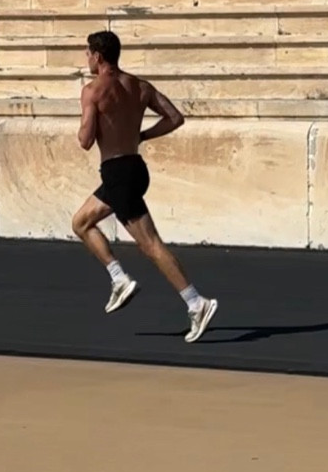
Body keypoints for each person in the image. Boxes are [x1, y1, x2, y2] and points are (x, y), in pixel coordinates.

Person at [71, 30, 218, 343]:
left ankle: (196, 302)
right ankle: (118, 277)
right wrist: (142, 135)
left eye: (87, 54)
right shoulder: (139, 86)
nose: (86, 59)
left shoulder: (93, 90)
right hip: (134, 168)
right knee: (81, 222)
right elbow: (175, 118)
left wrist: (90, 122)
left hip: (117, 173)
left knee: (150, 244)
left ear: (97, 56)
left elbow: (85, 141)